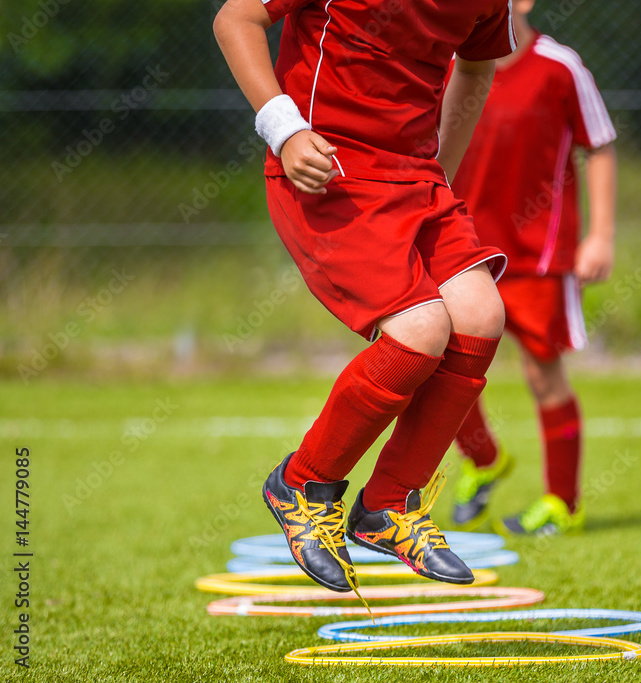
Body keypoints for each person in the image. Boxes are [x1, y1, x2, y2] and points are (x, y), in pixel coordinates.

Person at [213, 0, 515, 594]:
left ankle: (388, 506)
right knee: (422, 330)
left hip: (416, 177)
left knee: (481, 314)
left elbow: (478, 68)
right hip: (329, 170)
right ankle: (301, 484)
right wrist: (286, 130)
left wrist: (439, 171)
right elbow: (235, 19)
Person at [446, 0, 617, 536]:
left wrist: (601, 236)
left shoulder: (560, 66)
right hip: (461, 250)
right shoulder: (445, 66)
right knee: (433, 362)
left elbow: (601, 147)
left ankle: (563, 503)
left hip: (538, 259)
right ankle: (484, 458)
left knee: (543, 375)